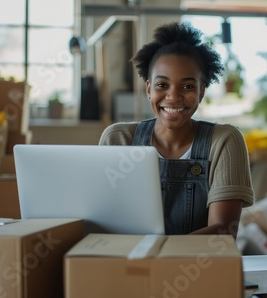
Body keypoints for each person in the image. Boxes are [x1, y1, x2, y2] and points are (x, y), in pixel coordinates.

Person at [99, 22, 254, 237]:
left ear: (201, 91)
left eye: (188, 86)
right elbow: (106, 224)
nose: (173, 96)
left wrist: (160, 256)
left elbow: (222, 235)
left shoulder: (224, 141)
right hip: (132, 268)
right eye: (162, 85)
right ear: (148, 90)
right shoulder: (119, 140)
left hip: (199, 268)